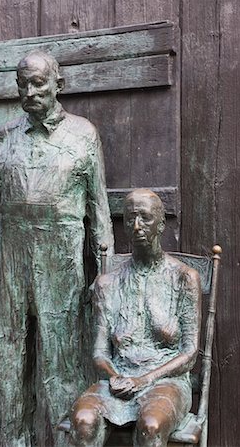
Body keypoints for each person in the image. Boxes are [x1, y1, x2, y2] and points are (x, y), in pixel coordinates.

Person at [0, 50, 114, 447]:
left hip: (63, 263)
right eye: (23, 85)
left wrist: (104, 278)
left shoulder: (83, 134)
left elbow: (99, 214)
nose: (30, 91)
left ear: (58, 85)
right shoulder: (5, 136)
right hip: (11, 262)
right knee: (10, 364)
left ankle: (67, 441)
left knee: (62, 363)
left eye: (38, 83)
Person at [70, 188, 201, 447]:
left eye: (145, 218)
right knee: (84, 420)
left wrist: (144, 379)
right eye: (130, 219)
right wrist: (113, 375)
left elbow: (190, 352)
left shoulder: (184, 278)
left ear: (161, 224)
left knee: (151, 425)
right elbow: (99, 352)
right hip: (118, 381)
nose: (137, 226)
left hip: (166, 382)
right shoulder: (108, 284)